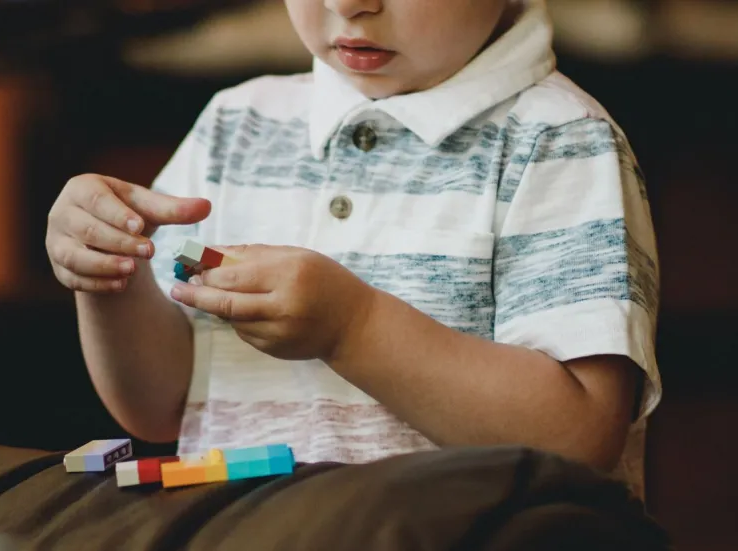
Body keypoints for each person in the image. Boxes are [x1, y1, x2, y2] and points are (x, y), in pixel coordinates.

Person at [44, 0, 661, 497]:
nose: (349, 6)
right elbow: (161, 407)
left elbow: (579, 436)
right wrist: (110, 276)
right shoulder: (237, 124)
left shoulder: (559, 141)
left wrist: (354, 327)